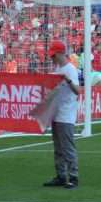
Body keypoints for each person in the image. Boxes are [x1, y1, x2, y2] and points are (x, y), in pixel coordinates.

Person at [43, 41, 81, 189]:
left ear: (59, 53)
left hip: (66, 114)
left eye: (53, 54)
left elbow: (78, 90)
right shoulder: (58, 68)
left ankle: (74, 177)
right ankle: (61, 175)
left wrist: (68, 80)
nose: (51, 57)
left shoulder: (70, 70)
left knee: (67, 147)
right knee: (58, 148)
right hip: (57, 113)